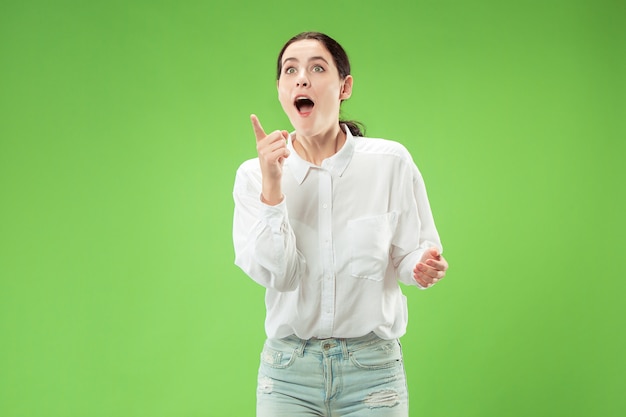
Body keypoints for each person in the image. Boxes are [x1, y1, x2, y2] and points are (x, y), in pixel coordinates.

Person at [232, 31, 448, 417]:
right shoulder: (253, 177)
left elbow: (410, 255)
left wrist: (421, 265)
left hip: (373, 372)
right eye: (290, 70)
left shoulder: (390, 162)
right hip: (287, 376)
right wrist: (272, 187)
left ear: (344, 86)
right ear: (281, 89)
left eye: (317, 68)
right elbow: (279, 276)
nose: (302, 78)